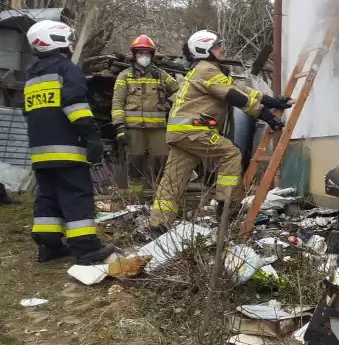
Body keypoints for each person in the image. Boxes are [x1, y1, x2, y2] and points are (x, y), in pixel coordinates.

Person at [149, 30, 293, 234]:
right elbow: (233, 95)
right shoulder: (206, 70)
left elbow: (237, 86)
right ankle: (226, 207)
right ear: (203, 49)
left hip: (180, 132)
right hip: (194, 130)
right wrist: (264, 114)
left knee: (173, 179)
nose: (221, 49)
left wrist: (269, 100)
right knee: (230, 154)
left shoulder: (206, 70)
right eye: (216, 46)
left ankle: (158, 225)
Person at [23, 20, 116, 264]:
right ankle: (86, 249)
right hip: (67, 149)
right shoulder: (66, 69)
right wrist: (92, 135)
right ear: (56, 39)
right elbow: (75, 106)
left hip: (39, 151)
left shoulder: (32, 75)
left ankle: (49, 246)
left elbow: (29, 113)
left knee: (48, 197)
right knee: (76, 195)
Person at [111, 34, 179, 198]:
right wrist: (119, 128)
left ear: (152, 55)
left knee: (162, 164)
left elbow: (180, 92)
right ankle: (135, 203)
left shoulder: (161, 75)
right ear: (134, 55)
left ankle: (163, 202)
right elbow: (117, 103)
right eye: (140, 53)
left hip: (158, 129)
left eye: (147, 53)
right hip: (134, 130)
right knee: (135, 165)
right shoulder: (124, 77)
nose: (144, 56)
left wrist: (169, 103)